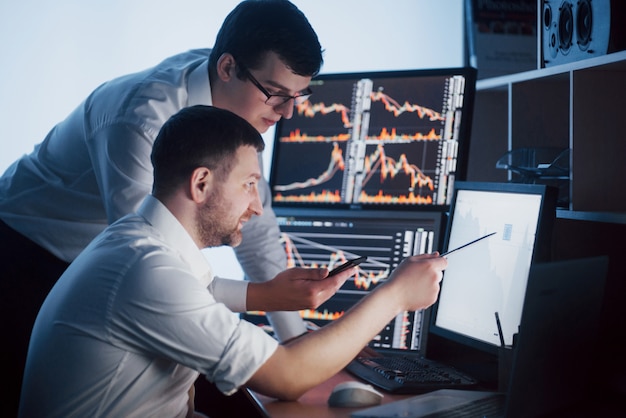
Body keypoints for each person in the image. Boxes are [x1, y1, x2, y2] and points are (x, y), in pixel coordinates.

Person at [0, 1, 326, 414]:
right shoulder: (140, 123)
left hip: (102, 258)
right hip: (25, 246)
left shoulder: (238, 102)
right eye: (277, 94)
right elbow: (152, 269)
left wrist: (292, 333)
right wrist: (282, 344)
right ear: (227, 68)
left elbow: (255, 224)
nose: (289, 112)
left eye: (299, 96)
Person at [18, 105, 447, 417]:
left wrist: (273, 295)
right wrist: (394, 297)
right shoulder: (147, 271)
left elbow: (204, 296)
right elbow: (287, 376)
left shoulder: (142, 243)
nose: (257, 207)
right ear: (201, 183)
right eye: (249, 184)